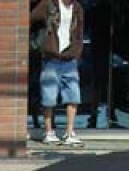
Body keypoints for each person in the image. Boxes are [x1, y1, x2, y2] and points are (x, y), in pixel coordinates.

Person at [30, 0, 85, 146]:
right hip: (51, 59)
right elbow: (30, 18)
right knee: (49, 97)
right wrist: (39, 43)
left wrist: (77, 52)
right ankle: (49, 132)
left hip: (70, 58)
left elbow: (79, 32)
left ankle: (69, 132)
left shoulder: (77, 8)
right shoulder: (49, 4)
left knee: (73, 95)